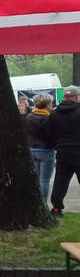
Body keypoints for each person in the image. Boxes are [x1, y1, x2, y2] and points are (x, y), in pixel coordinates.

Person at [49, 85, 80, 216]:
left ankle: (56, 208)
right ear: (76, 97)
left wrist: (57, 145)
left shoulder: (54, 113)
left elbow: (50, 132)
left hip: (62, 150)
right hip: (78, 149)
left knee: (60, 180)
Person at [25, 93, 56, 203]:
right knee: (44, 180)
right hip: (46, 150)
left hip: (32, 149)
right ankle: (43, 204)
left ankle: (35, 203)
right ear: (47, 104)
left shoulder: (29, 117)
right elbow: (51, 135)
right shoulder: (49, 118)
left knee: (37, 179)